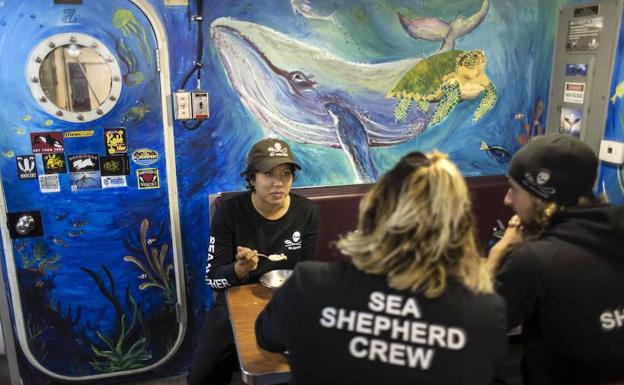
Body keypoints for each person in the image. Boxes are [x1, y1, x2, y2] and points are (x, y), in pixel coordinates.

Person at [255, 151, 507, 385]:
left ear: (374, 212)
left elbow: (266, 337)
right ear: (459, 227)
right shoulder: (484, 314)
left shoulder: (309, 285)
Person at [486, 134, 624, 385]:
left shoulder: (536, 261)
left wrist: (500, 251)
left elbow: (474, 331)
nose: (507, 199)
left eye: (514, 190)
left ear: (541, 196)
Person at [188, 138, 319, 385]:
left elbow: (306, 271)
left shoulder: (306, 211)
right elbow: (212, 278)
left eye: (286, 174)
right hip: (234, 300)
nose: (278, 183)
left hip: (287, 302)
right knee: (201, 376)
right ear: (251, 178)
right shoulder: (230, 212)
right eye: (268, 173)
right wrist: (238, 269)